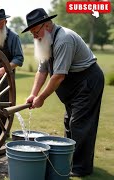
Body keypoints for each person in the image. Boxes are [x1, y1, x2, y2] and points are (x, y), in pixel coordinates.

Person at [23, 8, 104, 177]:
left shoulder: (64, 39)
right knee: (69, 123)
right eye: (31, 33)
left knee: (80, 124)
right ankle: (69, 161)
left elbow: (58, 76)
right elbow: (42, 71)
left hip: (87, 81)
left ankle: (81, 168)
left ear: (46, 26)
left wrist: (42, 98)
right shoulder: (45, 40)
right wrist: (33, 94)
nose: (34, 37)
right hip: (73, 84)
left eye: (35, 32)